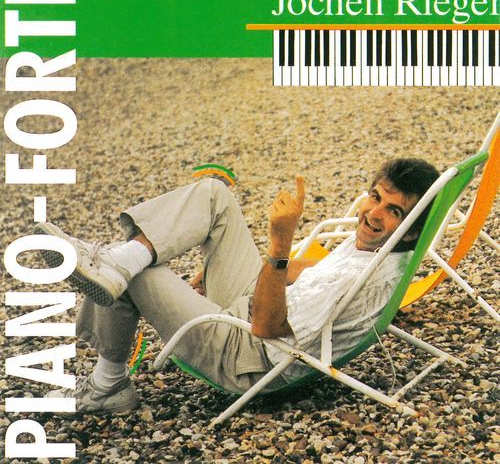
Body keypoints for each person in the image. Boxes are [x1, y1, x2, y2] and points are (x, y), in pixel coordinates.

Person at [37, 158, 439, 414]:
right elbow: (315, 272)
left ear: (409, 231)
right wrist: (226, 265)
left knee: (141, 273)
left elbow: (266, 329)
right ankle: (120, 260)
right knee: (215, 195)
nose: (373, 214)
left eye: (393, 211)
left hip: (248, 355)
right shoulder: (380, 250)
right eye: (375, 197)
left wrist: (280, 244)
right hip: (254, 310)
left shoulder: (358, 279)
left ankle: (108, 385)